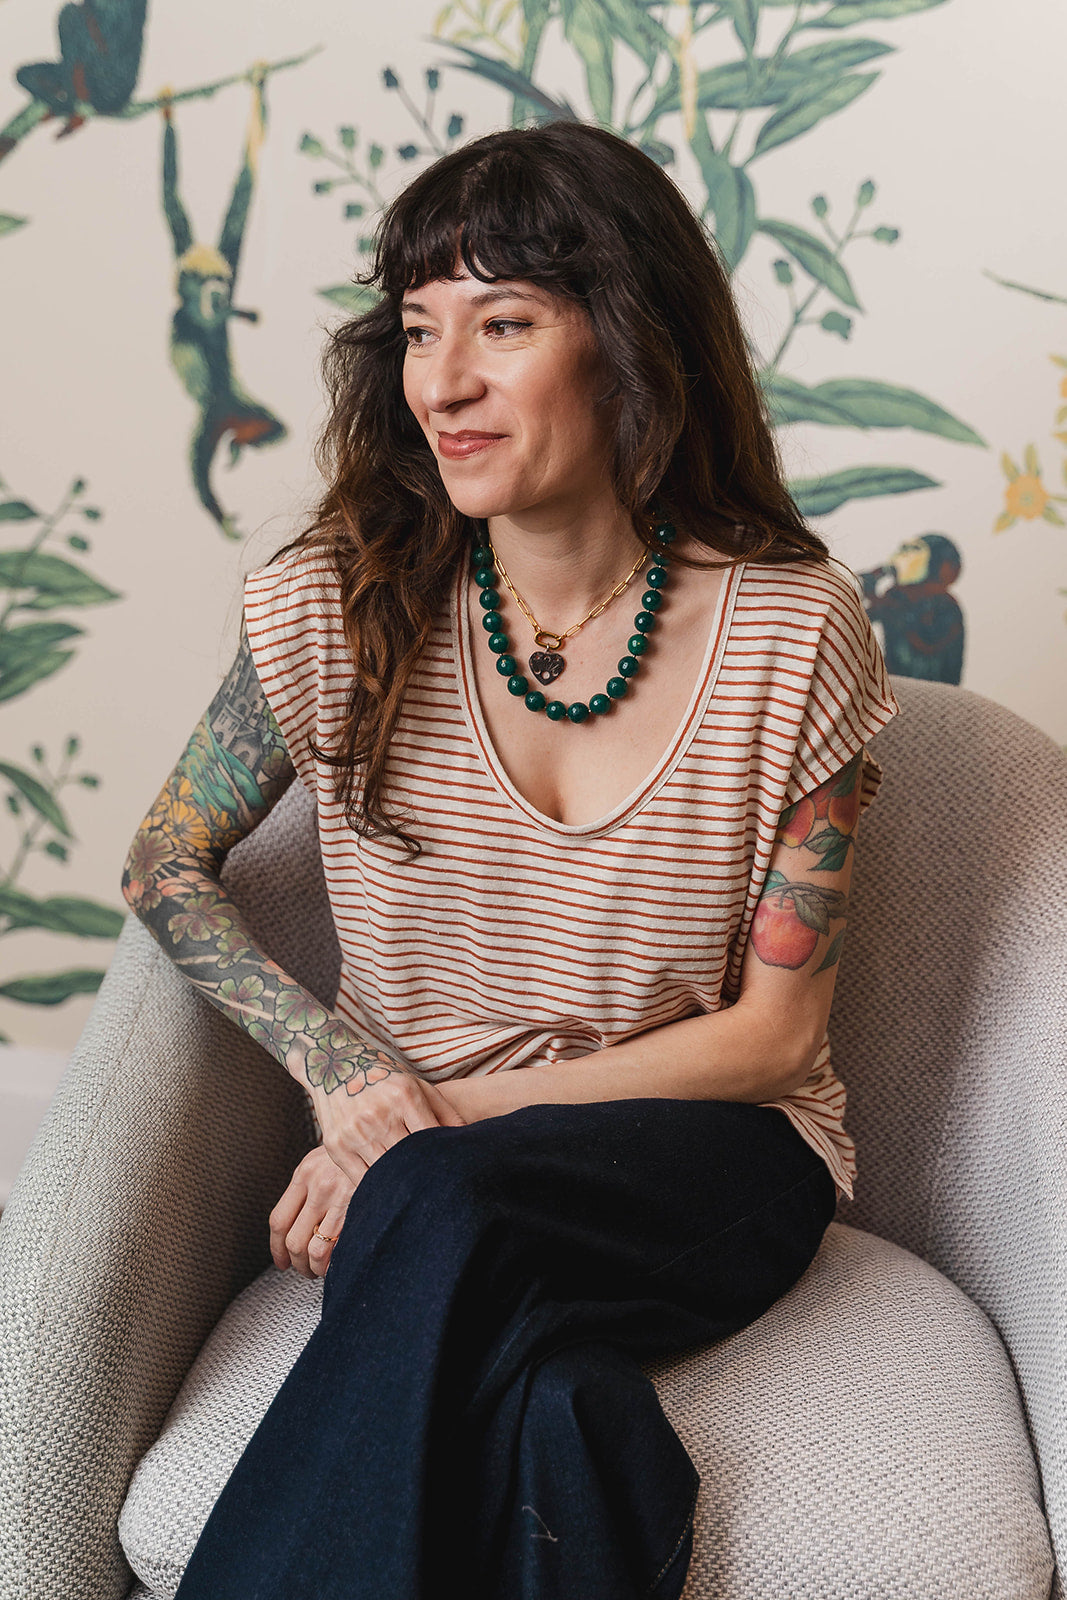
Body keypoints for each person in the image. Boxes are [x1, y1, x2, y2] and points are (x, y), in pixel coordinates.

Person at [121, 119, 900, 1600]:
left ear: (625, 344)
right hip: (419, 1165)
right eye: (419, 329)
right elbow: (168, 862)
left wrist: (443, 1114)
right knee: (560, 1412)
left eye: (505, 323)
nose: (444, 382)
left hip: (711, 1161)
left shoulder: (797, 631)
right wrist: (349, 1076)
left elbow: (775, 1035)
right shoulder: (335, 606)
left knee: (441, 1200)